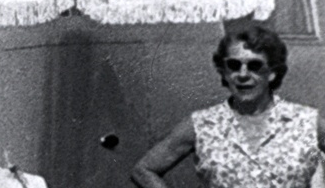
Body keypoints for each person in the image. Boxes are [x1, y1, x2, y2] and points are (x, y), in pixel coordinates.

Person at [133, 24, 325, 188]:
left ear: (272, 73)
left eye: (254, 66)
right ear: (224, 72)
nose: (243, 74)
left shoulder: (306, 122)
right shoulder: (202, 125)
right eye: (233, 65)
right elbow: (144, 170)